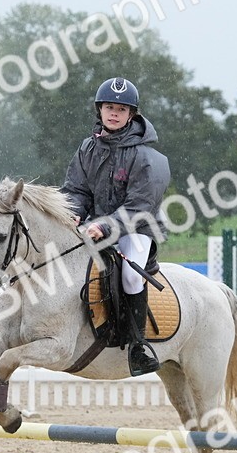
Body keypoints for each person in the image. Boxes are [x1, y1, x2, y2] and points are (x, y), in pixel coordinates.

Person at [59, 76, 170, 376]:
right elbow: (76, 190)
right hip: (96, 225)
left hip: (137, 228)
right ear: (100, 110)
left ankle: (138, 346)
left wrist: (106, 227)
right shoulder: (87, 148)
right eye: (109, 107)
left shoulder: (148, 158)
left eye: (121, 109)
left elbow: (139, 206)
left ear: (131, 115)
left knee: (131, 278)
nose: (114, 113)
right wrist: (73, 214)